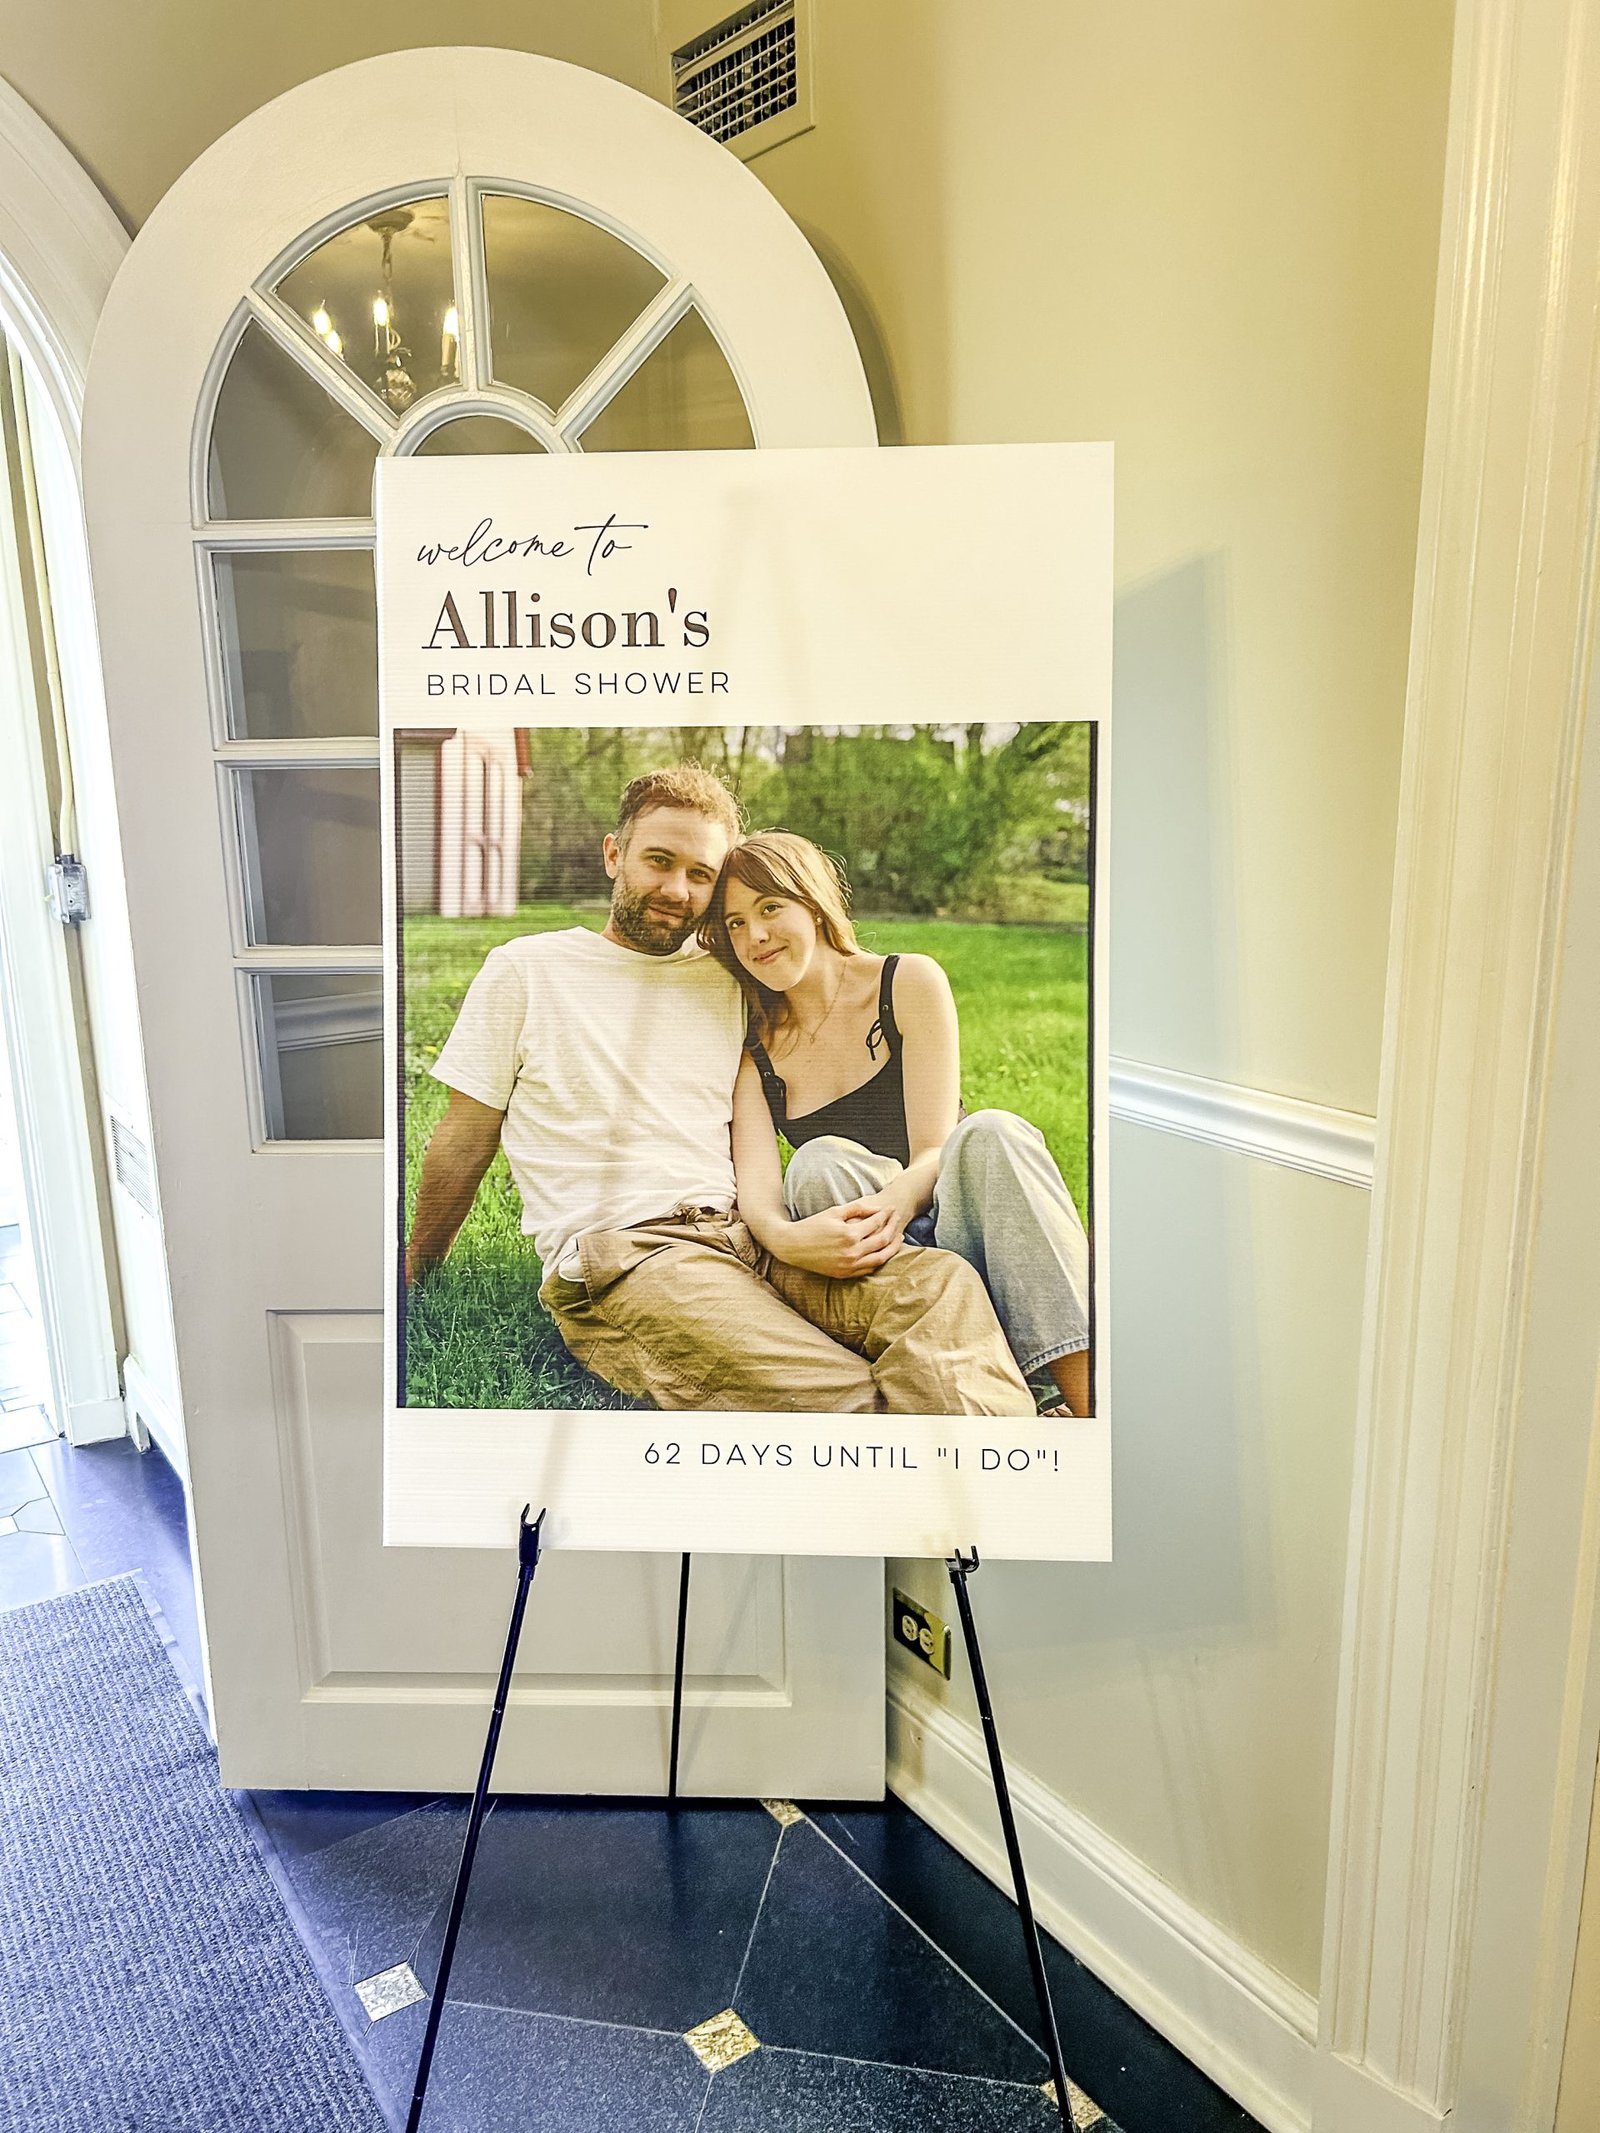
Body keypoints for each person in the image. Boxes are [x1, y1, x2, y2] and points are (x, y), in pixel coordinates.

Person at [405, 764, 1034, 1417]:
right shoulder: (526, 971)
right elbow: (463, 1138)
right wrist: (417, 1268)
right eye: (658, 861)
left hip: (749, 1240)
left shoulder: (732, 977)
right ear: (614, 854)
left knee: (940, 1289)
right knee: (833, 1394)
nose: (677, 889)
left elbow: (818, 987)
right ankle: (969, 1445)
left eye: (700, 874)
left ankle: (1012, 1447)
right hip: (634, 1258)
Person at [702, 831, 1092, 1417]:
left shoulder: (907, 982)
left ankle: (1090, 1409)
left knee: (993, 1134)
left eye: (770, 907)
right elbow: (760, 1199)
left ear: (813, 902)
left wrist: (897, 1201)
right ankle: (982, 1380)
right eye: (735, 923)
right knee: (816, 1165)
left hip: (957, 1222)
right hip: (889, 1266)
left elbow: (936, 1149)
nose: (754, 935)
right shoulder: (756, 1053)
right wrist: (791, 1242)